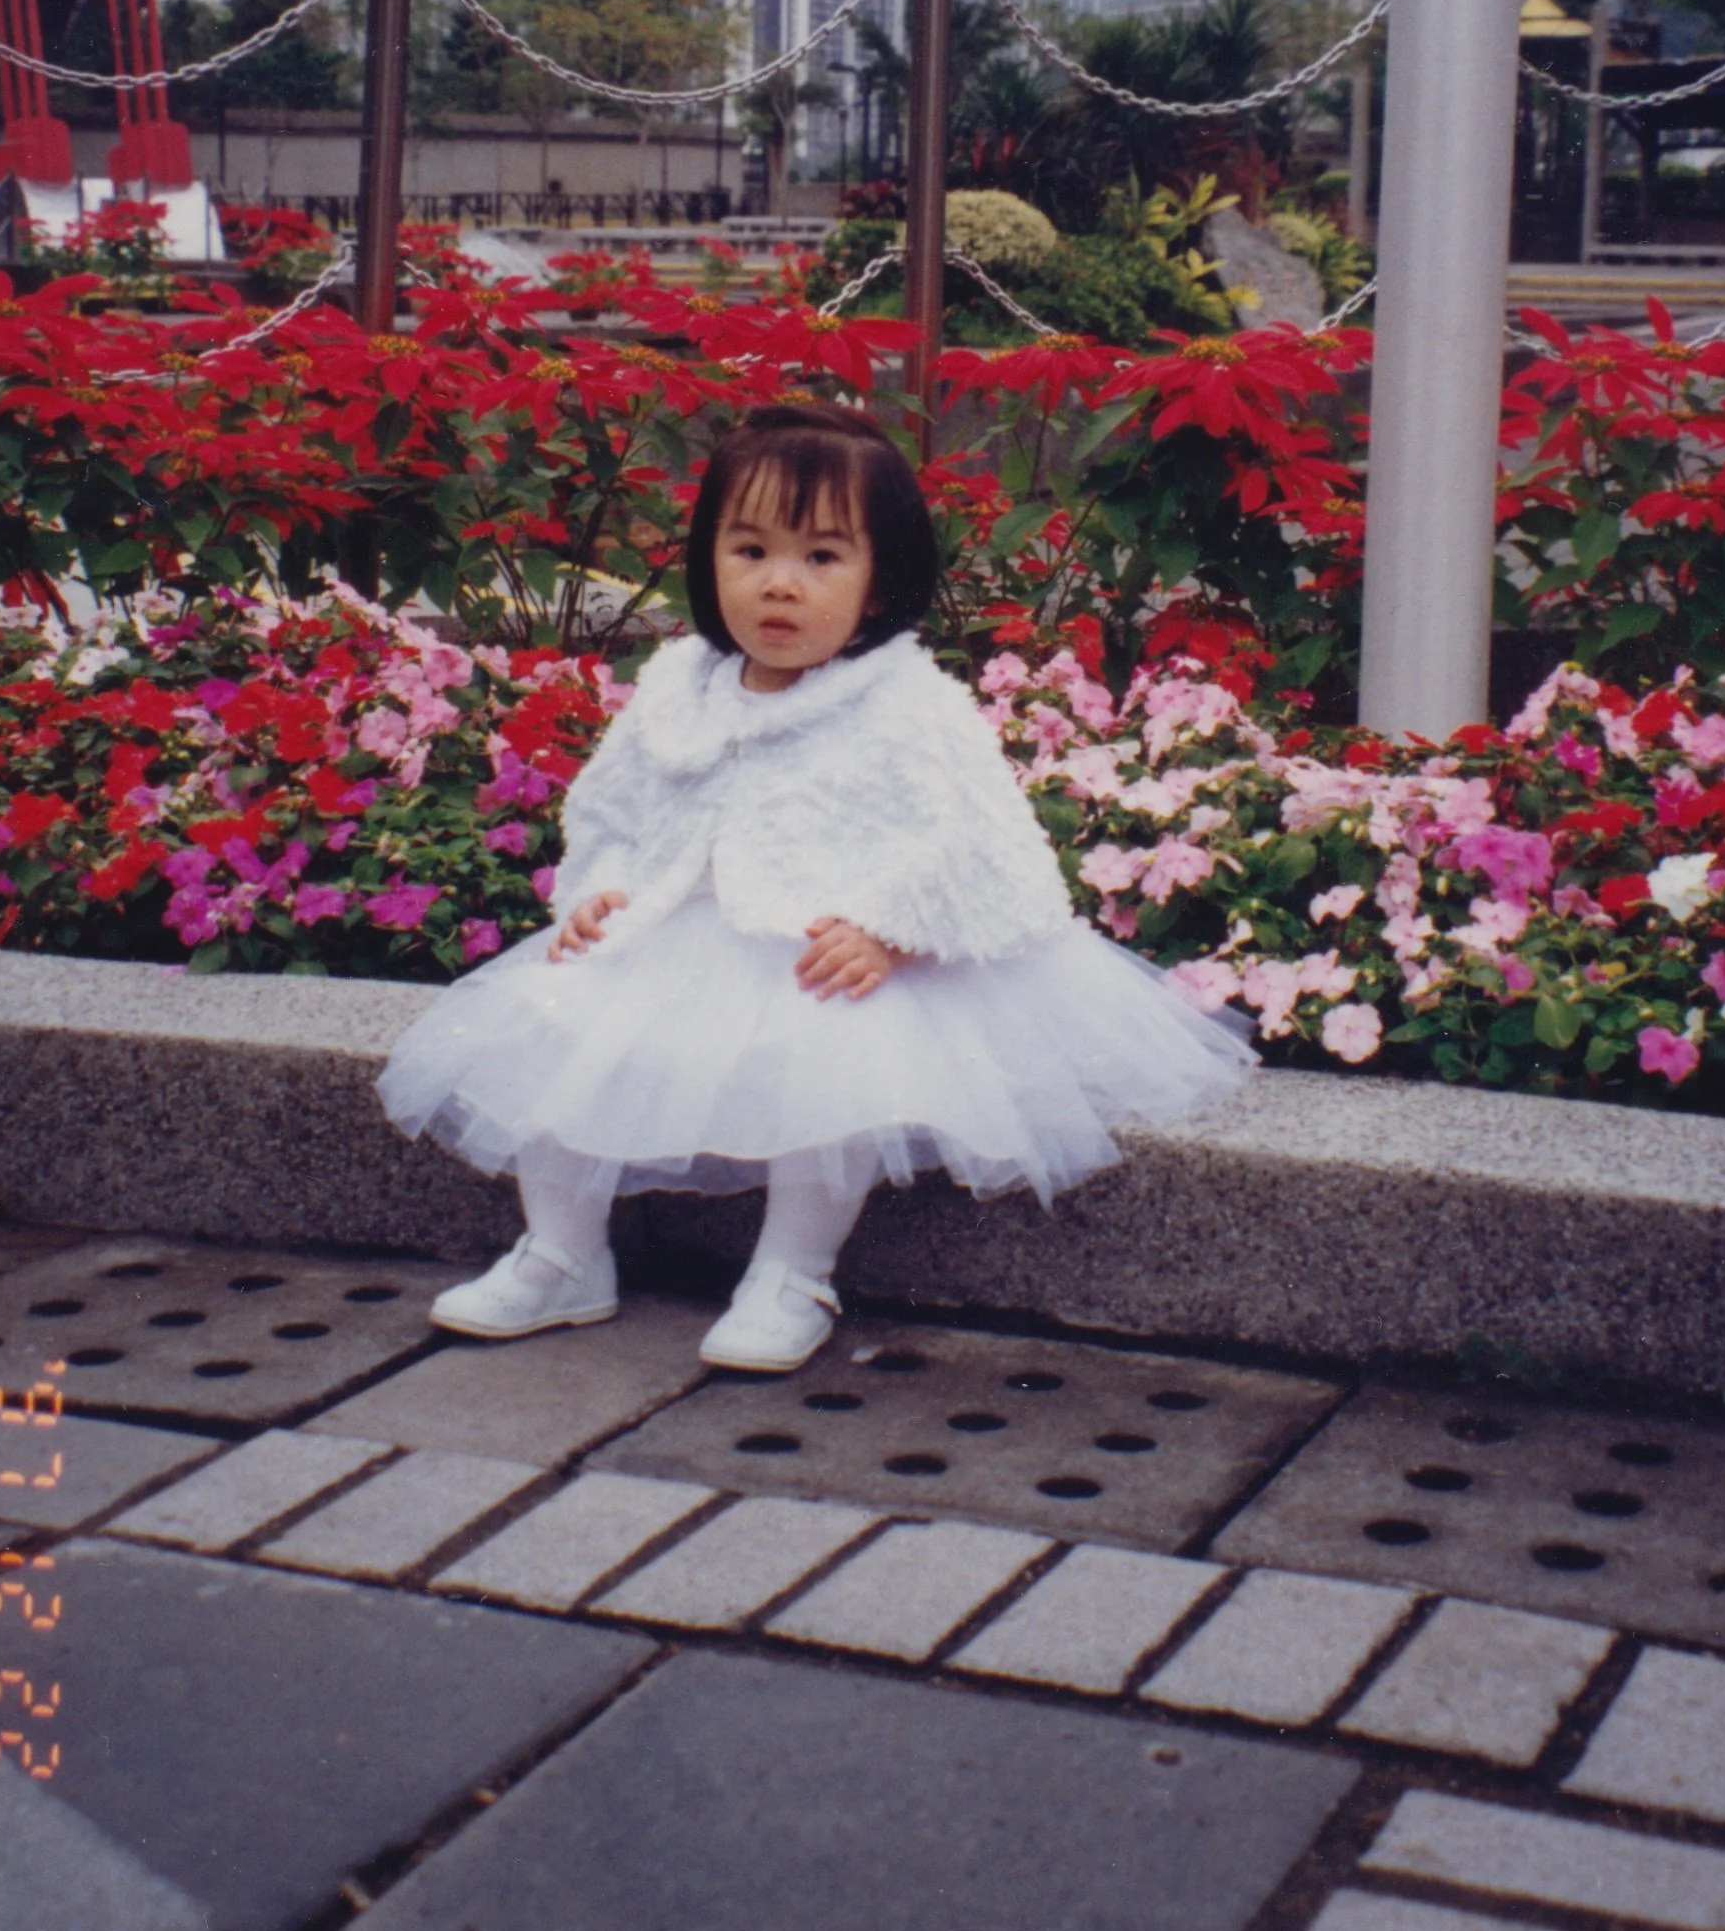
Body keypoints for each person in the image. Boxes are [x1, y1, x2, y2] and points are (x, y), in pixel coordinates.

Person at [380, 401, 1255, 1372]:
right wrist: (604, 886)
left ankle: (792, 1271)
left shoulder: (905, 701)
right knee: (554, 1022)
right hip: (680, 928)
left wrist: (890, 929)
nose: (779, 584)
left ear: (881, 582)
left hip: (825, 947)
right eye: (748, 549)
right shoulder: (681, 681)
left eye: (822, 558)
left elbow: (976, 840)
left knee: (830, 1054)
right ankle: (561, 1252)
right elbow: (620, 809)